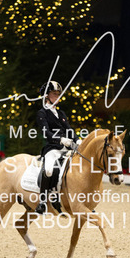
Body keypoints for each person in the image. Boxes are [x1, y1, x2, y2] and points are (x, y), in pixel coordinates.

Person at [35, 80, 81, 214]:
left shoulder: (61, 113)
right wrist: (60, 140)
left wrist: (77, 140)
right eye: (54, 94)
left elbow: (68, 129)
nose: (57, 96)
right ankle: (42, 201)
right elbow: (46, 132)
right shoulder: (42, 113)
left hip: (67, 147)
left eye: (58, 94)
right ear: (46, 96)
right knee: (49, 170)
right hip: (52, 148)